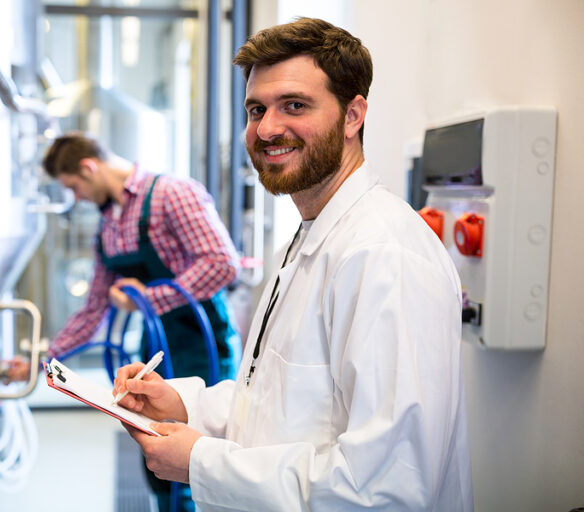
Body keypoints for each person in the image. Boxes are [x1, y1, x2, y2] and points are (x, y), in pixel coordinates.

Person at [113, 17, 474, 511]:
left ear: (353, 115)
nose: (266, 128)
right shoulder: (309, 236)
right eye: (256, 109)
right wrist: (184, 405)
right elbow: (278, 405)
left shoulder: (384, 256)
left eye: (295, 106)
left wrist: (201, 463)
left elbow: (386, 491)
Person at [6, 132, 241, 511]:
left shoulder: (172, 194)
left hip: (202, 345)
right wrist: (43, 362)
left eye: (74, 187)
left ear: (88, 166)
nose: (77, 198)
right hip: (156, 347)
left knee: (204, 462)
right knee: (160, 458)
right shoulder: (109, 225)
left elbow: (222, 263)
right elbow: (94, 307)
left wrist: (148, 299)